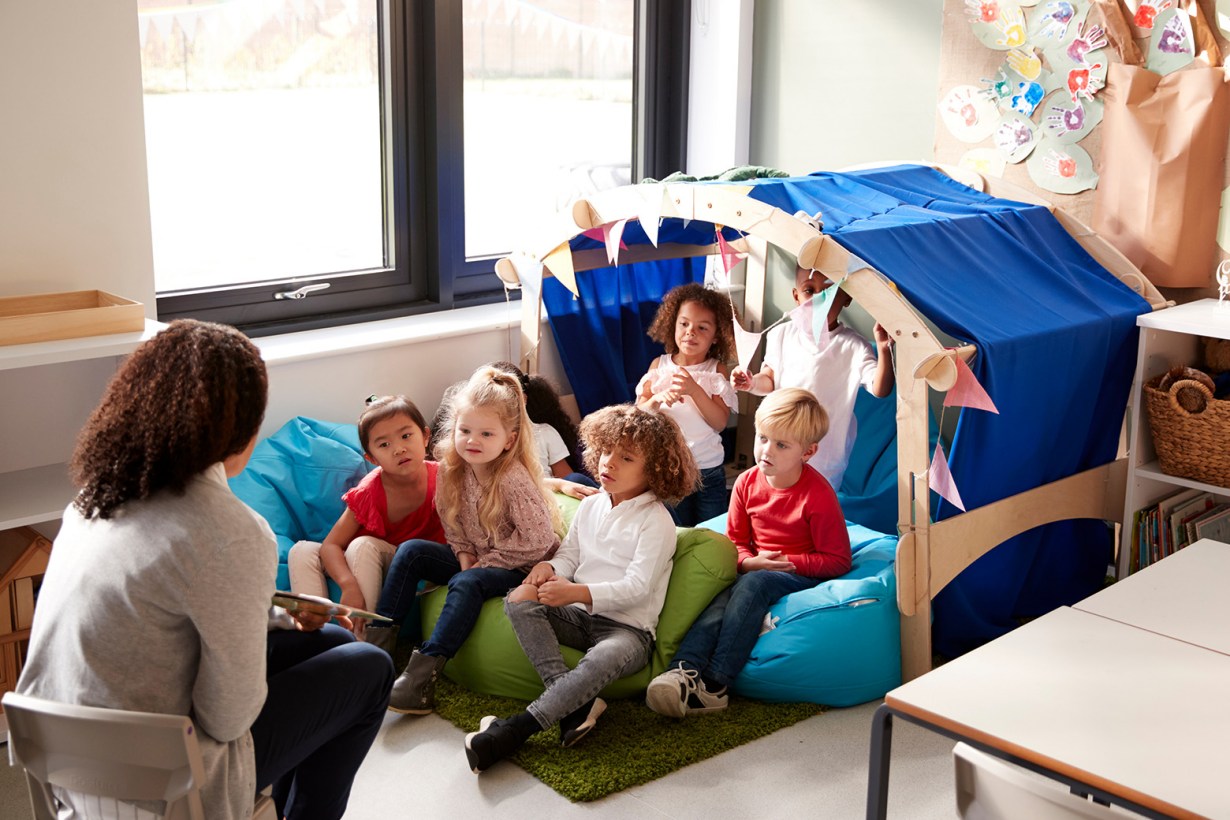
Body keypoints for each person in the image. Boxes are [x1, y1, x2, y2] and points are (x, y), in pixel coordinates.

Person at [16, 319, 394, 820]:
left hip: (65, 756)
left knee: (332, 645)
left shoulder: (95, 498)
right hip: (167, 782)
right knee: (369, 668)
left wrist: (277, 616)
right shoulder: (231, 530)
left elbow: (158, 618)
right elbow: (227, 716)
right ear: (242, 431)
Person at [463, 404, 699, 773]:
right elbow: (569, 556)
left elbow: (637, 587)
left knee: (604, 657)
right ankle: (575, 707)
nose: (609, 463)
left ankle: (514, 730)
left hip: (628, 632)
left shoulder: (656, 521)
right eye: (606, 451)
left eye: (626, 457)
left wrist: (575, 593)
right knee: (519, 598)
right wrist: (548, 567)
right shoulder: (591, 506)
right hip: (579, 617)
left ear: (653, 469)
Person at [645, 388, 851, 718]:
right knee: (719, 597)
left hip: (798, 575)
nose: (766, 450)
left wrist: (786, 563)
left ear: (808, 452)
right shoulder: (745, 482)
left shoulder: (818, 495)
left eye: (781, 445)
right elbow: (736, 541)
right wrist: (747, 561)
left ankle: (715, 685)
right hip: (756, 568)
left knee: (754, 585)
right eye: (763, 438)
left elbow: (838, 560)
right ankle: (682, 672)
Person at [373, 365, 562, 715]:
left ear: (509, 439)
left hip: (521, 566)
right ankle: (376, 651)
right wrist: (462, 556)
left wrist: (480, 565)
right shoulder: (451, 468)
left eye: (487, 434)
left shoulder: (513, 478)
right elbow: (452, 521)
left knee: (470, 581)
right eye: (465, 430)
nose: (473, 441)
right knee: (412, 551)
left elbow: (539, 541)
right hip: (476, 558)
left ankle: (421, 679)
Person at [288, 395, 446, 636]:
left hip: (403, 563)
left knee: (362, 545)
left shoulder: (445, 478)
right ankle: (313, 638)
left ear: (425, 436)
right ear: (372, 459)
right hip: (359, 562)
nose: (399, 449)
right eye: (384, 445)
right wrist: (348, 585)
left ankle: (365, 644)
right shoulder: (369, 491)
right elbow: (330, 545)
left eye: (406, 436)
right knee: (301, 550)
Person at [731, 263, 895, 491]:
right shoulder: (782, 334)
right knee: (776, 497)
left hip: (825, 452)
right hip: (779, 441)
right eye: (809, 290)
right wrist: (750, 383)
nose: (819, 299)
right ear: (796, 296)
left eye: (828, 291)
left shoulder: (852, 345)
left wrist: (884, 349)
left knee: (814, 505)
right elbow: (769, 379)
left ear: (846, 297)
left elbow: (880, 388)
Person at [636, 282, 739, 526]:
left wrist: (694, 390)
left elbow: (720, 422)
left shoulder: (716, 370)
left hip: (708, 470)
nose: (690, 332)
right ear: (673, 324)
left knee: (712, 530)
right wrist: (656, 400)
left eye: (702, 327)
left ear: (716, 337)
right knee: (676, 530)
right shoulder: (659, 366)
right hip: (669, 469)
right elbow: (638, 415)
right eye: (684, 324)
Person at [430, 361, 599, 498]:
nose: (473, 438)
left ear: (522, 400)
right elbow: (505, 484)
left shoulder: (545, 432)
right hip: (522, 500)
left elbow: (567, 479)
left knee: (576, 479)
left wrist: (562, 485)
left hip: (553, 496)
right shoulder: (476, 447)